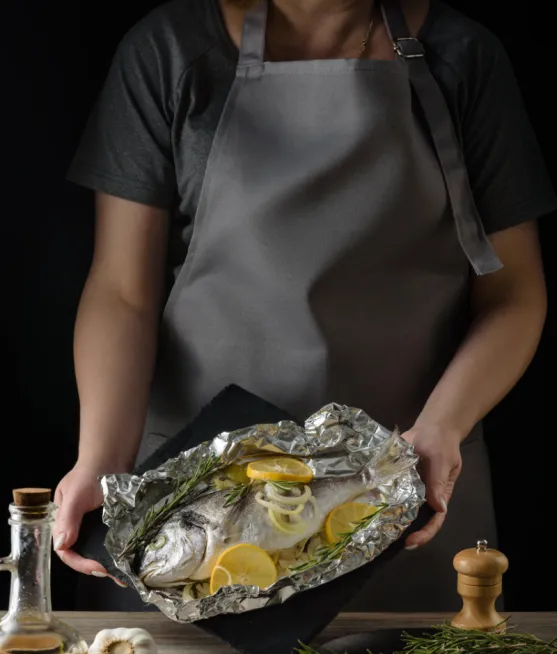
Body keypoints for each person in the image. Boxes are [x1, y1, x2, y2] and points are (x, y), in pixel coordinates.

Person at [54, 0, 555, 610]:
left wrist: (442, 430)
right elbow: (122, 294)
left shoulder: (464, 57)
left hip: (406, 489)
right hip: (195, 511)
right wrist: (102, 458)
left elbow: (513, 293)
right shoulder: (171, 50)